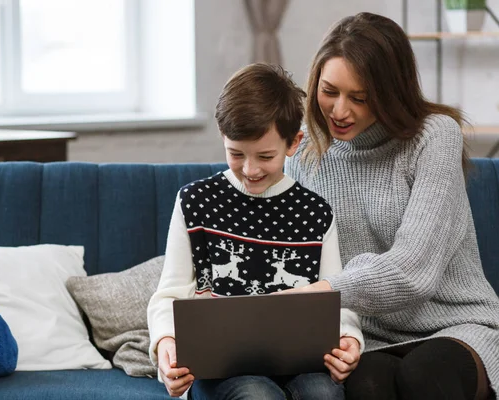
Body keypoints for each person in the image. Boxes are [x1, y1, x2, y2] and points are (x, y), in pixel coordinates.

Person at [284, 12, 499, 400]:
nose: (339, 111)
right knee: (368, 386)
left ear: (390, 92)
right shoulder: (302, 156)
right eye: (329, 91)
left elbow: (412, 271)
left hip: (456, 324)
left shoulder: (433, 137)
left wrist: (325, 290)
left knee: (423, 377)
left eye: (360, 98)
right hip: (369, 335)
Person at [147, 63, 364, 400]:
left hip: (301, 364)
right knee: (258, 396)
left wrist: (349, 338)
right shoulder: (195, 201)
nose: (250, 170)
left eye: (265, 156)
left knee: (324, 394)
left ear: (294, 143)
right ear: (222, 136)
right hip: (220, 370)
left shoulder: (315, 212)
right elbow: (169, 294)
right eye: (236, 153)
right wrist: (166, 344)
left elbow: (336, 300)